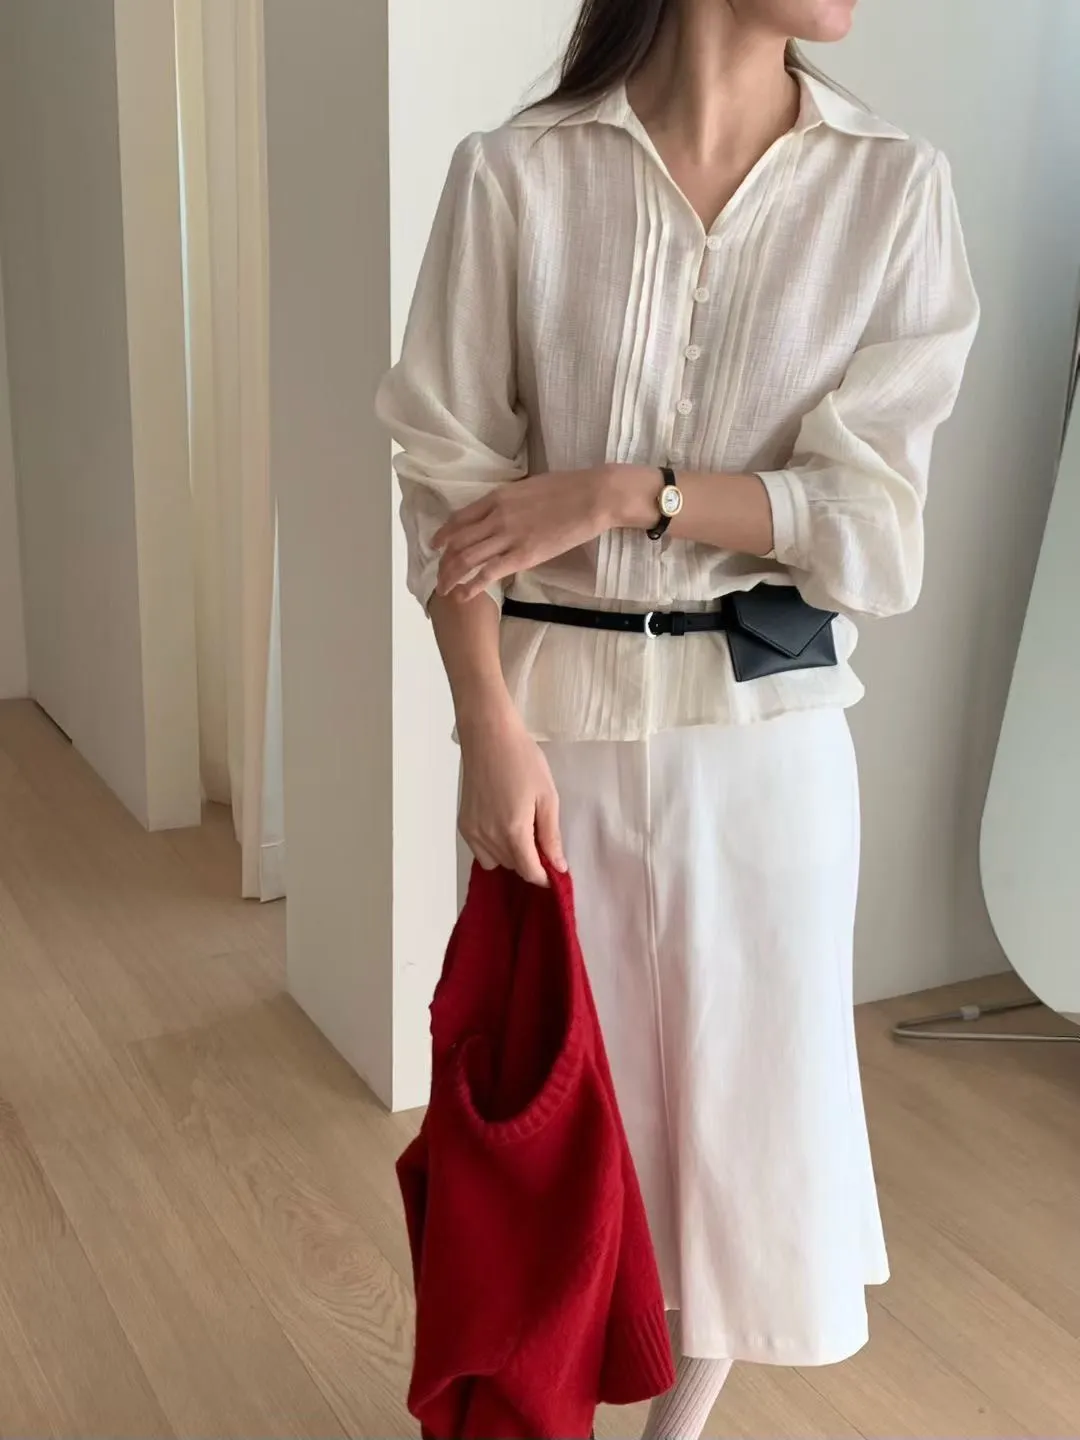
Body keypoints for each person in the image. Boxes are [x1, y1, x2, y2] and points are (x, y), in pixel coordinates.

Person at [377, 0, 979, 1435]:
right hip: (554, 737)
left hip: (767, 745)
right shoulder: (516, 176)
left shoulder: (893, 189)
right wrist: (483, 727)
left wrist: (624, 493)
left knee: (743, 1136)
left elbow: (874, 534)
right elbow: (445, 487)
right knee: (564, 1121)